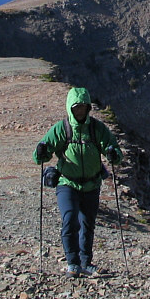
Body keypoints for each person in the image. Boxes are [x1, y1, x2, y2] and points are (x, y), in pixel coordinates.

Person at [33, 87, 123, 278]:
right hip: (67, 183)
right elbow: (43, 151)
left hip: (91, 184)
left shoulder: (97, 128)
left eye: (83, 107)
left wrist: (113, 153)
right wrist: (41, 152)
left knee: (87, 223)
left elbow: (112, 148)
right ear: (70, 108)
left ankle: (85, 262)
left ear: (88, 108)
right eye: (76, 108)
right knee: (70, 219)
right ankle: (72, 263)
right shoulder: (61, 128)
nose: (80, 111)